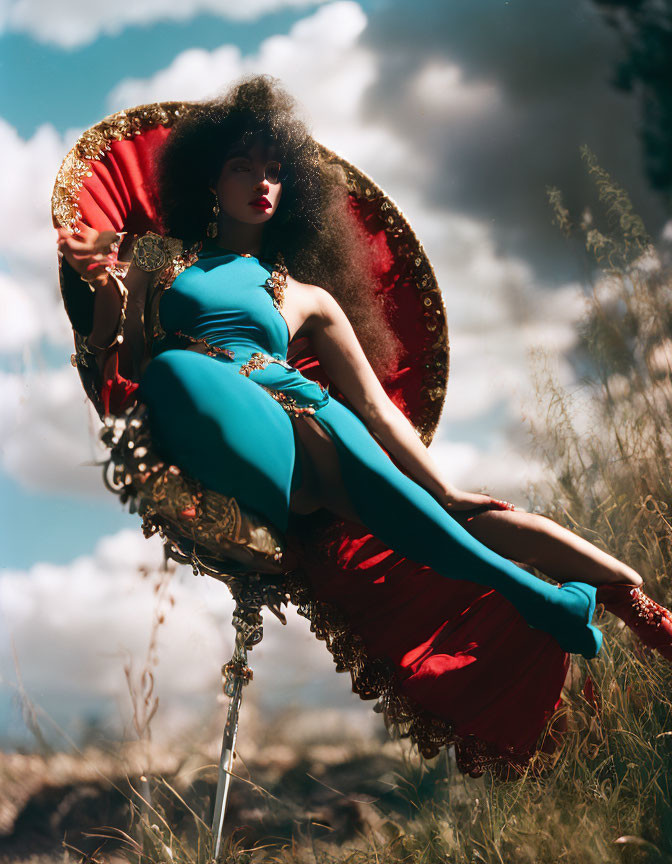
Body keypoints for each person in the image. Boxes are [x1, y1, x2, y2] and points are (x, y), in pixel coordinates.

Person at [55, 75, 672, 775]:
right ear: (209, 178)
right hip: (220, 421)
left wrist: (445, 485)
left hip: (310, 423)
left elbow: (375, 406)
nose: (262, 182)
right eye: (243, 167)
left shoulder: (308, 297)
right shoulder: (157, 258)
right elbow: (132, 362)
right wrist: (106, 288)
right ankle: (543, 594)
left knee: (455, 519)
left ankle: (597, 602)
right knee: (174, 372)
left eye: (275, 172)